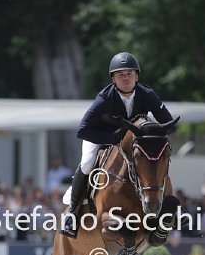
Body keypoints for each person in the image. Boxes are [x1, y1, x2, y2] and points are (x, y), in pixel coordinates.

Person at [60, 51, 174, 238]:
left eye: (130, 73)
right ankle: (73, 212)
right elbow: (83, 130)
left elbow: (168, 123)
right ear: (113, 79)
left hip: (133, 140)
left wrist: (152, 132)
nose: (126, 78)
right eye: (121, 75)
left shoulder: (147, 94)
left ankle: (168, 205)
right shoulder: (105, 98)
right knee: (87, 162)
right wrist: (112, 138)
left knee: (153, 160)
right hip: (101, 136)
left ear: (137, 77)